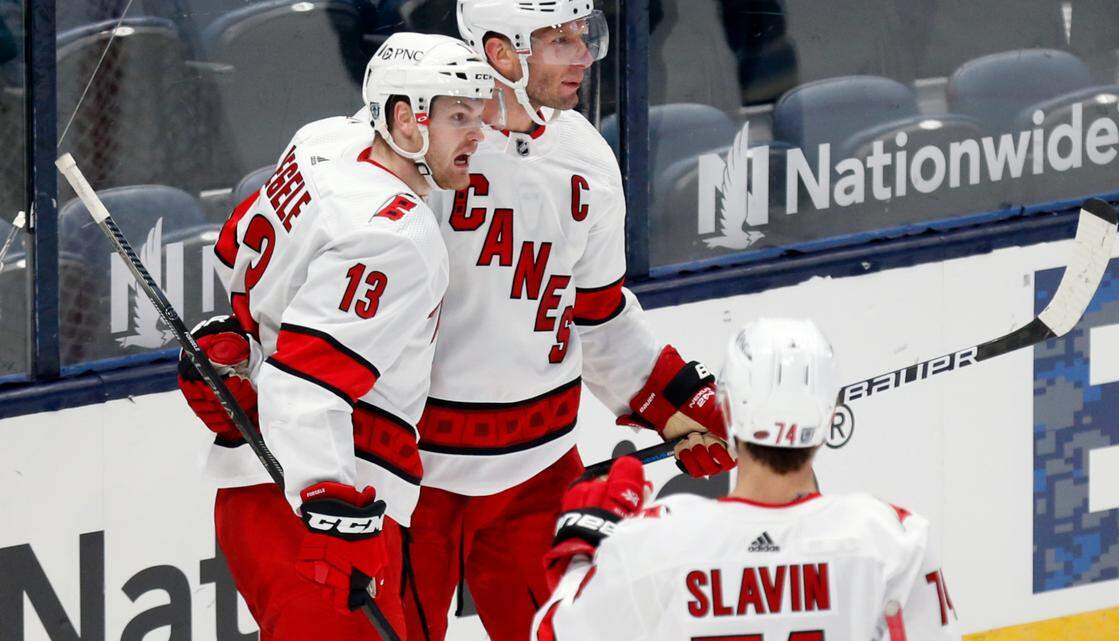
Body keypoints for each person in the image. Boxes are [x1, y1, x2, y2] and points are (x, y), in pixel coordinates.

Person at [400, 2, 735, 640]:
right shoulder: (422, 149)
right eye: (560, 40)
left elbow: (597, 311)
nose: (584, 55)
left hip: (538, 467)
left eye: (583, 36)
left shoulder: (585, 155)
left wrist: (678, 399)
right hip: (413, 473)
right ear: (501, 54)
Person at [175, 33, 495, 640]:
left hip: (256, 483)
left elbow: (232, 248)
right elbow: (307, 387)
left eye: (478, 114)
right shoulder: (394, 237)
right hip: (319, 503)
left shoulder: (321, 141)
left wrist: (248, 348)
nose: (479, 133)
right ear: (405, 118)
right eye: (459, 116)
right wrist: (333, 512)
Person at [534, 318, 962, 641]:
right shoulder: (892, 540)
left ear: (727, 409)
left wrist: (583, 551)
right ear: (831, 419)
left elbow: (553, 633)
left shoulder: (657, 540)